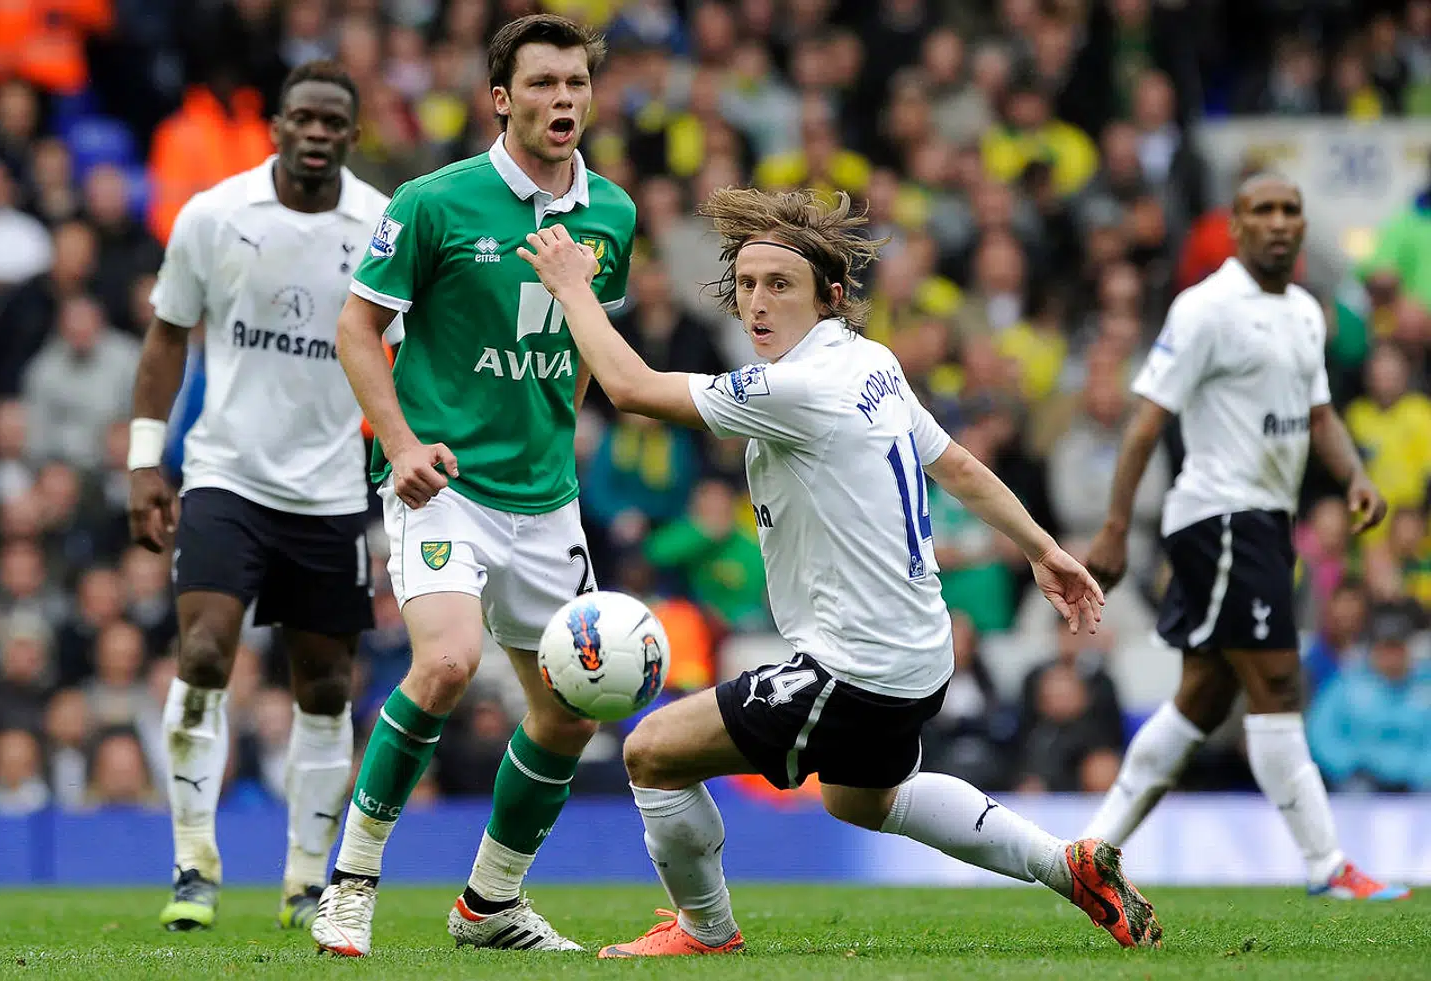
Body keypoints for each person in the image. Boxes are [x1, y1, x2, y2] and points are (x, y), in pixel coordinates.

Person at [516, 189, 1163, 956]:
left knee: (650, 752)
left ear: (830, 297)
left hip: (856, 666)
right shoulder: (872, 361)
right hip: (915, 655)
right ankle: (1070, 865)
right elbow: (951, 462)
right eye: (747, 284)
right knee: (862, 798)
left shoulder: (797, 385)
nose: (757, 303)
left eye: (779, 285)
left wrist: (571, 287)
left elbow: (628, 388)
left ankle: (705, 930)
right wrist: (1043, 546)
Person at [309, 15, 636, 958]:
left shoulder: (610, 213)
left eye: (575, 83)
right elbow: (356, 330)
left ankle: (488, 902)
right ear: (502, 99)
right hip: (438, 483)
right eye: (541, 85)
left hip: (544, 496)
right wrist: (401, 443)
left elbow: (589, 348)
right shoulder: (433, 202)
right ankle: (352, 881)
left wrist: (555, 441)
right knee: (447, 660)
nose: (562, 100)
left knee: (572, 708)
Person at [1080, 173, 1411, 902]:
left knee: (1201, 697)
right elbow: (1145, 422)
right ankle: (1328, 865)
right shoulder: (1204, 309)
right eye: (1263, 210)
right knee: (1278, 682)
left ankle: (1092, 848)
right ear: (1235, 227)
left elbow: (1319, 415)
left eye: (1292, 208)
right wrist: (1112, 528)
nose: (1280, 222)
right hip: (1221, 516)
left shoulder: (1303, 313)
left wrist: (1355, 477)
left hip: (1265, 520)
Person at [128, 61, 387, 931]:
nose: (316, 134)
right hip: (224, 475)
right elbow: (168, 336)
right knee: (202, 652)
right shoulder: (214, 214)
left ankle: (306, 879)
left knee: (325, 684)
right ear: (277, 125)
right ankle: (193, 861)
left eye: (332, 123)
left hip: (331, 488)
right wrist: (142, 462)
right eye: (303, 119)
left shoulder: (382, 225)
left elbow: (413, 345)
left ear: (351, 137)